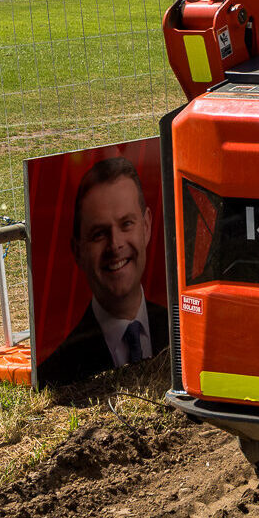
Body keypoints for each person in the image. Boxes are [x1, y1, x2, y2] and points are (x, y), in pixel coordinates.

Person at [37, 156, 167, 386]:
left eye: (126, 224)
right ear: (78, 250)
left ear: (146, 227)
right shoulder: (58, 371)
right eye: (99, 233)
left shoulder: (182, 333)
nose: (115, 245)